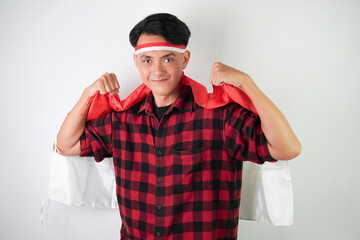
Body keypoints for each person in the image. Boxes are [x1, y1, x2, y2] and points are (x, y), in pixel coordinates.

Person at [56, 13, 300, 240]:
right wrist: (88, 95)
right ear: (137, 62)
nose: (157, 70)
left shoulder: (220, 117)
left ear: (185, 59)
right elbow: (65, 145)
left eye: (168, 59)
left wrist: (248, 84)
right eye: (147, 60)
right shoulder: (122, 120)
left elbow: (287, 148)